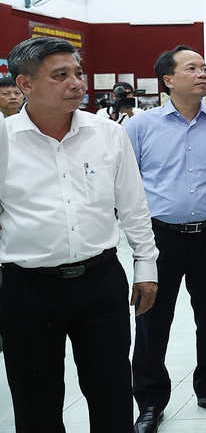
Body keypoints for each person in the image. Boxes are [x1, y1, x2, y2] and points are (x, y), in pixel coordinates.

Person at [0, 36, 159, 432]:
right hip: (27, 289)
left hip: (100, 283)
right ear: (24, 84)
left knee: (112, 396)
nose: (77, 83)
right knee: (36, 402)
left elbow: (134, 207)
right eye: (60, 75)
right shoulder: (4, 141)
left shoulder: (107, 134)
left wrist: (146, 267)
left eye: (78, 72)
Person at [125, 45, 206, 431]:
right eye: (192, 68)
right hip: (160, 238)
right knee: (153, 319)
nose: (203, 74)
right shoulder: (140, 126)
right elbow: (127, 181)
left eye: (205, 68)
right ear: (168, 80)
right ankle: (151, 400)